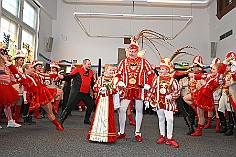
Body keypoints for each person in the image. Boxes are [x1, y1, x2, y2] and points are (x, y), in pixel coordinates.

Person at [0, 54, 64, 131]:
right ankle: (57, 124)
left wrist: (58, 75)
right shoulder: (22, 77)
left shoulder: (37, 74)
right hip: (37, 95)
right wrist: (7, 61)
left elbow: (47, 76)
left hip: (44, 91)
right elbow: (15, 71)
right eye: (31, 67)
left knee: (60, 91)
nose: (33, 69)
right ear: (25, 69)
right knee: (49, 112)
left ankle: (56, 106)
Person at [183, 53, 234, 136]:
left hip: (205, 95)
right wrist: (193, 75)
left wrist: (225, 62)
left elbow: (220, 72)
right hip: (200, 92)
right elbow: (202, 76)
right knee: (185, 98)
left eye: (214, 69)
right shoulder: (210, 75)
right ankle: (196, 110)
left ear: (218, 71)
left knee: (201, 115)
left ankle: (199, 130)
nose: (212, 70)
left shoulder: (218, 79)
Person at [116, 36, 154, 142]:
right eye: (130, 51)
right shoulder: (123, 62)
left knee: (139, 110)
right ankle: (122, 131)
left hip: (139, 89)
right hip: (127, 89)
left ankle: (137, 132)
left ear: (137, 51)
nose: (132, 53)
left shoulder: (144, 62)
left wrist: (148, 84)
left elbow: (151, 74)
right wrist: (119, 81)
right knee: (122, 109)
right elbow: (118, 74)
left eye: (134, 51)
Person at [147, 57, 180, 148]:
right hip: (158, 102)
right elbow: (152, 90)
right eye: (160, 69)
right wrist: (148, 99)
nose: (161, 70)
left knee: (170, 119)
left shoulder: (173, 81)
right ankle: (162, 135)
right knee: (161, 119)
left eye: (163, 69)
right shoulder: (156, 79)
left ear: (168, 70)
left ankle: (169, 137)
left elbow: (177, 92)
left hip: (168, 103)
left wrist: (172, 96)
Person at [59, 59, 96, 127]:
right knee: (70, 106)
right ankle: (61, 121)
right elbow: (69, 76)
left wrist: (94, 92)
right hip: (77, 92)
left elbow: (92, 83)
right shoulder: (78, 70)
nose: (89, 65)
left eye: (90, 64)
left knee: (91, 104)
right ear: (84, 64)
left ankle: (86, 119)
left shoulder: (91, 72)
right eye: (88, 64)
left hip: (85, 93)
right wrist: (63, 77)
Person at [87, 64, 118, 142]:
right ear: (106, 70)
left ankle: (107, 136)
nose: (112, 72)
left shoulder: (115, 79)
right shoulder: (101, 78)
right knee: (98, 116)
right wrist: (100, 89)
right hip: (100, 100)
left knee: (108, 117)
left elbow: (115, 90)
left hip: (109, 101)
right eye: (110, 70)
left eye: (113, 70)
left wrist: (107, 90)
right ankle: (96, 136)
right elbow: (95, 87)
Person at [0, 48, 21, 128]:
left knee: (7, 104)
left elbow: (13, 74)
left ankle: (10, 121)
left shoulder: (7, 67)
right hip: (1, 86)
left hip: (7, 87)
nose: (5, 58)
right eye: (3, 57)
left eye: (6, 57)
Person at [10, 50, 26, 123]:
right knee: (13, 102)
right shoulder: (13, 68)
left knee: (19, 101)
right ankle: (10, 118)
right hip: (14, 85)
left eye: (23, 60)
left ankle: (16, 117)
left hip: (21, 86)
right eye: (21, 60)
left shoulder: (23, 69)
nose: (22, 61)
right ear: (17, 60)